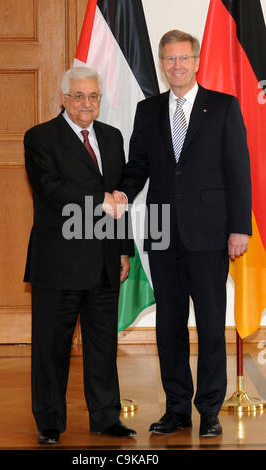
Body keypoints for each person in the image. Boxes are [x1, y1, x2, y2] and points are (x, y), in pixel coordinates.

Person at [113, 30, 252, 437]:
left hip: (210, 235)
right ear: (162, 64)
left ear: (196, 62)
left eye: (183, 58)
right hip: (162, 233)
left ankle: (209, 409)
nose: (176, 65)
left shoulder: (223, 107)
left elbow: (238, 172)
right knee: (168, 326)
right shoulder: (148, 110)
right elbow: (138, 165)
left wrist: (239, 228)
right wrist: (122, 191)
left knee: (210, 325)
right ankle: (176, 409)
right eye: (169, 59)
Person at [23, 66, 136, 444]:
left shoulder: (112, 137)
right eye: (79, 96)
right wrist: (99, 201)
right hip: (59, 262)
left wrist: (123, 250)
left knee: (103, 346)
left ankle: (106, 417)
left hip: (105, 262)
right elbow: (51, 190)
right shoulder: (40, 138)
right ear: (64, 99)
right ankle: (50, 422)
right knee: (51, 346)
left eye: (94, 96)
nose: (87, 103)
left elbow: (119, 197)